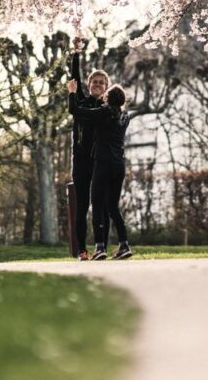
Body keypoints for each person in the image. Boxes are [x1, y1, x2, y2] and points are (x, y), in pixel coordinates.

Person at [67, 78, 133, 260]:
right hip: (119, 165)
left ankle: (100, 247)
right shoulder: (125, 117)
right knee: (113, 207)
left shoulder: (103, 112)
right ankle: (124, 245)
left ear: (108, 98)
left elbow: (76, 110)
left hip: (103, 164)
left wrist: (72, 92)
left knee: (97, 205)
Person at [68, 43, 110, 261]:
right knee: (82, 206)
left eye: (102, 83)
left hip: (101, 162)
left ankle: (102, 247)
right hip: (81, 162)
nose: (98, 84)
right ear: (89, 83)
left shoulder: (107, 108)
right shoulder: (81, 101)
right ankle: (82, 250)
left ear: (106, 87)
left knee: (102, 205)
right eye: (95, 81)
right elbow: (73, 77)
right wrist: (76, 53)